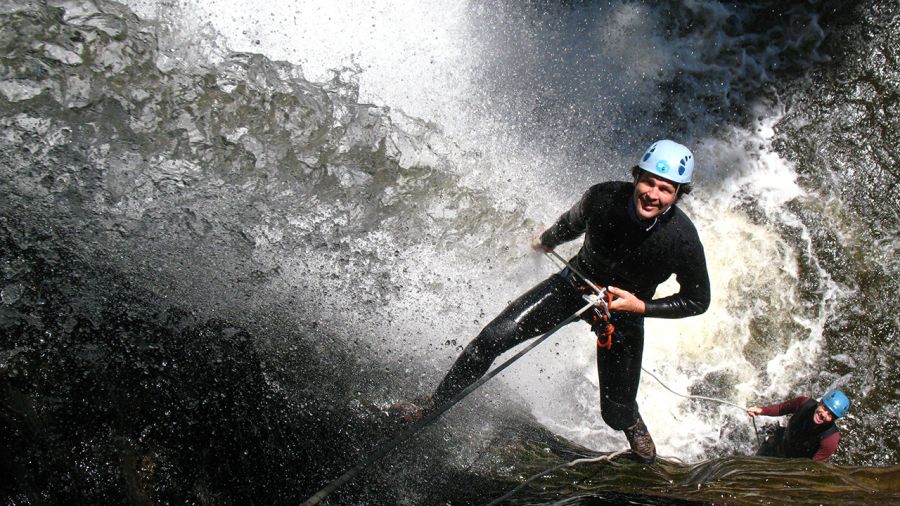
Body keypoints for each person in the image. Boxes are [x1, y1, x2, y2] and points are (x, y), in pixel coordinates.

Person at [400, 140, 711, 464]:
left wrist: (640, 307)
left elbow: (698, 300)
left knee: (615, 414)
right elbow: (571, 223)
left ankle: (631, 422)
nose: (652, 194)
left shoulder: (682, 239)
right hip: (573, 286)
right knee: (490, 340)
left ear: (677, 195)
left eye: (665, 189)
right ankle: (431, 407)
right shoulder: (603, 197)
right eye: (648, 182)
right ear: (636, 177)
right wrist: (546, 241)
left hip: (622, 313)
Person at [747, 389, 850, 462]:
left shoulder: (830, 440)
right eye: (825, 408)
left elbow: (813, 466)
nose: (823, 414)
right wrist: (760, 410)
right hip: (780, 442)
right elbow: (781, 409)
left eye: (830, 415)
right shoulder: (803, 403)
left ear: (834, 419)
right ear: (821, 402)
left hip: (794, 462)